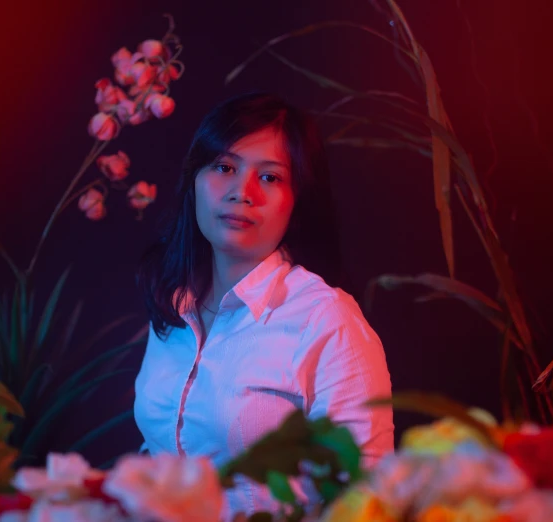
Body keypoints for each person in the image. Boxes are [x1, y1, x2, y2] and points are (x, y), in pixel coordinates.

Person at [133, 92, 393, 518]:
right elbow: (158, 451)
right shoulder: (173, 303)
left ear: (298, 200)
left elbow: (366, 495)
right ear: (195, 179)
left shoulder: (326, 319)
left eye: (270, 177)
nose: (242, 192)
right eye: (224, 167)